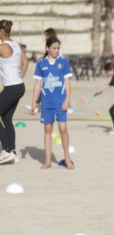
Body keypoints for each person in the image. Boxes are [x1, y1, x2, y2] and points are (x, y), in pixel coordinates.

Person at [30, 37, 74, 169]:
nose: (56, 50)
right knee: (48, 129)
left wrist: (67, 100)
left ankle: (67, 159)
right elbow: (38, 83)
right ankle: (48, 160)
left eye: (58, 48)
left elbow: (67, 83)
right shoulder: (41, 64)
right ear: (47, 48)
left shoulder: (63, 63)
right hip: (46, 103)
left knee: (62, 129)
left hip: (61, 102)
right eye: (54, 48)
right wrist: (33, 103)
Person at [0, 19, 28, 164]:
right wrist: (18, 77)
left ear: (1, 32)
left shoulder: (3, 47)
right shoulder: (16, 44)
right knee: (6, 119)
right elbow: (26, 62)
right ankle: (13, 153)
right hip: (19, 86)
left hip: (12, 88)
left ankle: (6, 151)